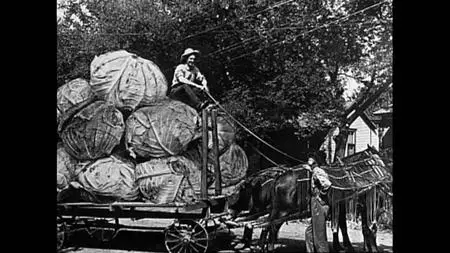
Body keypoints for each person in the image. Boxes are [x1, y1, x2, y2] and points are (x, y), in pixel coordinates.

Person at [305, 161, 332, 252]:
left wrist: (320, 194)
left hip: (318, 204)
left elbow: (327, 184)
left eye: (310, 160)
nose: (308, 161)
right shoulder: (315, 170)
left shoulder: (317, 171)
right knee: (309, 233)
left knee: (319, 236)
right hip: (317, 203)